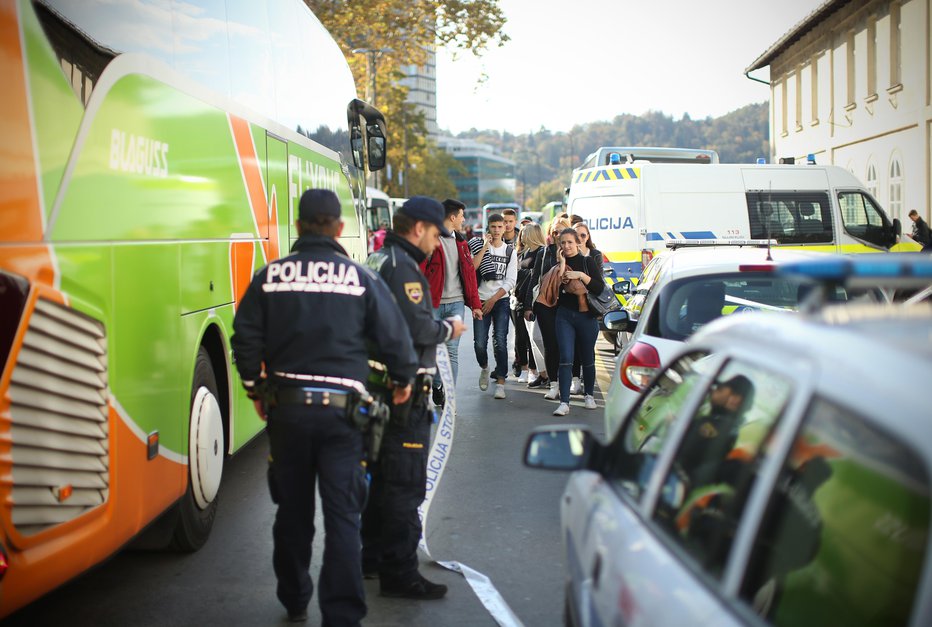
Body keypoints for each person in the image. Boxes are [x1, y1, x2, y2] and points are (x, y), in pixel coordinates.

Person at [231, 188, 417, 625]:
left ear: (296, 227)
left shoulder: (270, 276)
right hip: (343, 418)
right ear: (338, 228)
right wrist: (404, 381)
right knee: (343, 516)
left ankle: (295, 597)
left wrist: (256, 389)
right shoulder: (361, 279)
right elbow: (395, 339)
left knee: (292, 512)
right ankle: (342, 615)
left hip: (287, 414)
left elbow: (245, 337)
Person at [362, 196, 467, 600]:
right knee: (404, 484)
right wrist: (450, 329)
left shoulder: (377, 259)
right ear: (419, 228)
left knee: (378, 479)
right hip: (402, 393)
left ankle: (370, 556)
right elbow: (419, 328)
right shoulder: (403, 268)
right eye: (435, 234)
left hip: (377, 387)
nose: (437, 243)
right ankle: (400, 573)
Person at [420, 198, 483, 407]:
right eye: (462, 215)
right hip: (434, 304)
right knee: (434, 351)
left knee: (452, 351)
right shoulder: (430, 240)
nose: (464, 219)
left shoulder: (462, 243)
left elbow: (469, 275)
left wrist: (475, 305)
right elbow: (418, 272)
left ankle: (449, 397)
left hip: (456, 303)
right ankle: (437, 384)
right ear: (453, 217)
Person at [551, 228, 604, 416]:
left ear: (578, 243)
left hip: (586, 316)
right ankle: (564, 402)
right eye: (563, 243)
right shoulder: (558, 262)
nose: (566, 246)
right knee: (566, 357)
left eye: (570, 242)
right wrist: (562, 264)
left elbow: (599, 287)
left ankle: (589, 394)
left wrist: (580, 275)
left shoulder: (587, 261)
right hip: (564, 315)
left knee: (587, 356)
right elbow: (554, 288)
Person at [469, 213, 517, 399]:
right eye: (493, 227)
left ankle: (501, 381)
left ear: (505, 228)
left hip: (500, 301)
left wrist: (494, 300)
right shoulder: (480, 247)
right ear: (488, 228)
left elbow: (511, 280)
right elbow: (472, 268)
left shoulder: (509, 252)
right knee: (480, 343)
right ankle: (485, 367)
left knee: (500, 341)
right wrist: (485, 248)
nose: (497, 230)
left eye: (500, 226)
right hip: (480, 300)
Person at [530, 217, 571, 399]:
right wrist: (528, 305)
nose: (557, 235)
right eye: (554, 232)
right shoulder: (544, 252)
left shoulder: (572, 252)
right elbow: (535, 279)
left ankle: (569, 382)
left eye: (561, 231)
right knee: (550, 345)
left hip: (567, 305)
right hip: (546, 304)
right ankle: (553, 384)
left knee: (566, 346)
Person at [568, 222, 604, 395]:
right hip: (570, 310)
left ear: (588, 237)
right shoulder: (567, 255)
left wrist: (582, 277)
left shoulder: (593, 255)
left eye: (583, 235)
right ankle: (575, 379)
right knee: (572, 348)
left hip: (590, 306)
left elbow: (599, 283)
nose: (580, 238)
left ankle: (587, 383)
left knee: (587, 349)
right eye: (577, 235)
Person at [515, 223, 547, 385]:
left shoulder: (542, 252)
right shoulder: (524, 252)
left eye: (525, 233)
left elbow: (537, 279)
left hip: (535, 301)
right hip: (521, 299)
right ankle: (533, 370)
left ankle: (540, 371)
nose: (521, 236)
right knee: (523, 337)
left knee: (535, 338)